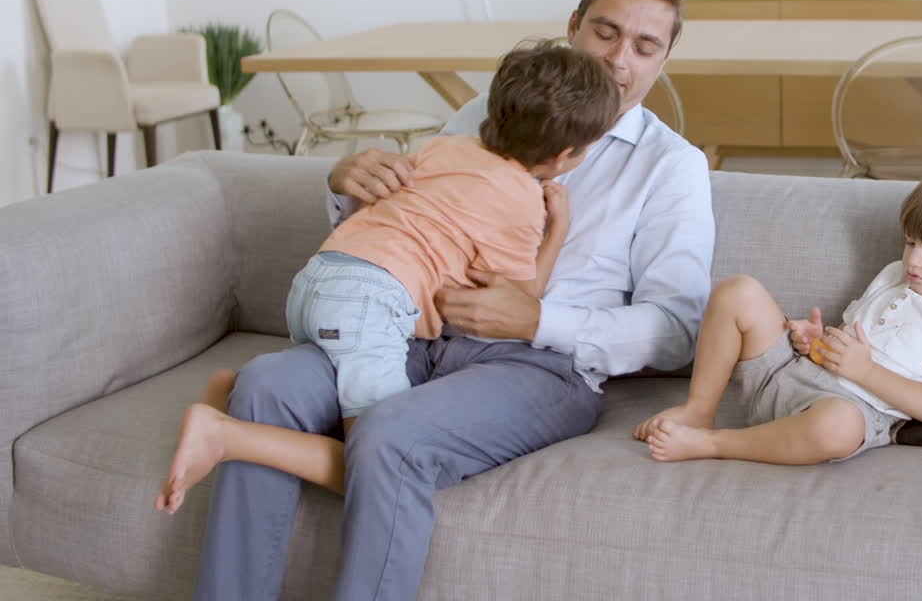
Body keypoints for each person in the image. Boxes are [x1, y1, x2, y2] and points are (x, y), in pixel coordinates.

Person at [188, 0, 715, 601]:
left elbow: (678, 330)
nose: (618, 60)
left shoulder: (671, 167)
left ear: (664, 59)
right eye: (605, 32)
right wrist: (349, 185)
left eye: (644, 46)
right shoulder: (478, 114)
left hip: (539, 367)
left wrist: (538, 321)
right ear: (573, 27)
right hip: (412, 336)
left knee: (389, 434)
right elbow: (415, 222)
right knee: (264, 385)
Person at [153, 40, 618, 514]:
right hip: (369, 304)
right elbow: (518, 299)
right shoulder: (521, 197)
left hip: (321, 277)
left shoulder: (444, 147)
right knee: (377, 467)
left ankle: (225, 396)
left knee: (356, 434)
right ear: (563, 157)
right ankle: (225, 434)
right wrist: (557, 228)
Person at [633, 163, 922, 465]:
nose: (913, 260)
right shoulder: (896, 274)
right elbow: (843, 343)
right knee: (738, 292)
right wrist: (814, 344)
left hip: (850, 410)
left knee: (837, 428)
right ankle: (699, 410)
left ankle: (713, 445)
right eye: (910, 242)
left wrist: (865, 372)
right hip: (790, 377)